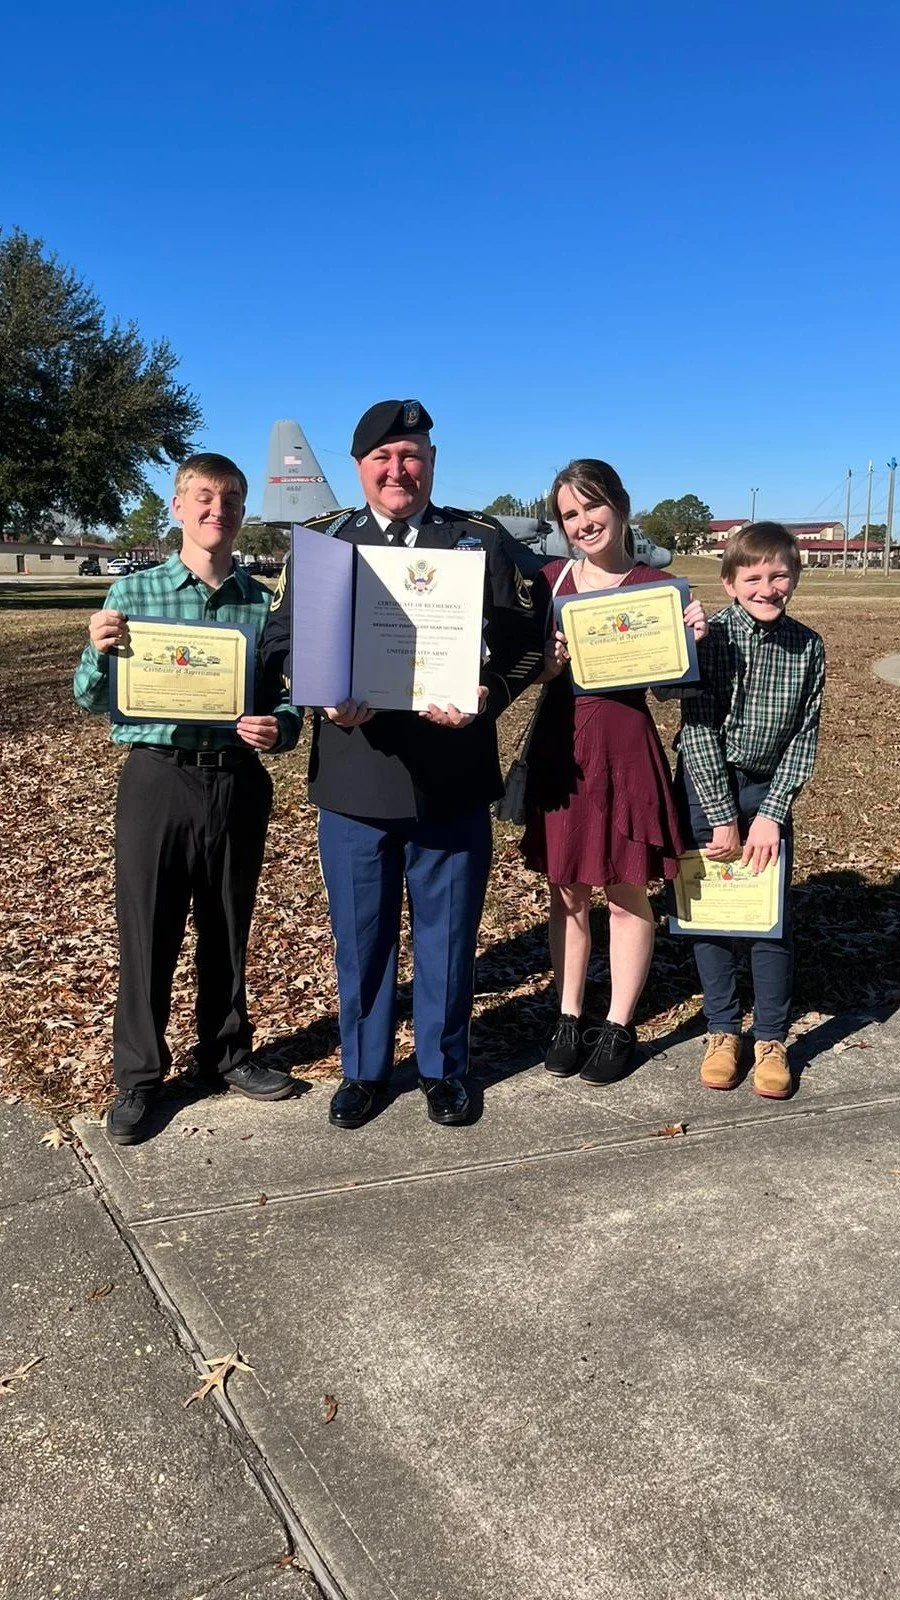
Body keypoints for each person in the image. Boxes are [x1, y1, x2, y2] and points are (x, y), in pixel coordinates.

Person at [260, 399, 542, 1130]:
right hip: (356, 774)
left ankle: (445, 1068)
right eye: (382, 458)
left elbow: (529, 636)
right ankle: (363, 1069)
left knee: (448, 936)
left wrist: (489, 691)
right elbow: (278, 642)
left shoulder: (475, 539)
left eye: (411, 455)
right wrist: (318, 695)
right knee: (362, 934)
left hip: (451, 772)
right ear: (359, 469)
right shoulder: (323, 542)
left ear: (431, 464)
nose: (398, 470)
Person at [74, 453, 302, 1145]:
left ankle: (226, 1054)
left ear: (241, 513)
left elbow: (288, 704)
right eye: (203, 497)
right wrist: (95, 649)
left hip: (235, 778)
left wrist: (278, 729)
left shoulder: (263, 605)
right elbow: (90, 697)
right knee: (148, 928)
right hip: (156, 777)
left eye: (230, 499)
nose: (216, 510)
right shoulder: (134, 595)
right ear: (177, 507)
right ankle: (139, 1079)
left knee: (229, 925)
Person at [519, 458, 708, 1083]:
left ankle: (620, 1024)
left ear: (620, 506)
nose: (582, 522)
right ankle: (569, 1014)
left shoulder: (660, 587)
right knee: (567, 889)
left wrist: (690, 641)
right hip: (562, 747)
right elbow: (520, 669)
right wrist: (544, 664)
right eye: (569, 515)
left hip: (626, 745)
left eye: (591, 507)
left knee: (627, 890)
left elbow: (671, 694)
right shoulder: (549, 580)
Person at [675, 522, 825, 1099]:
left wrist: (771, 813)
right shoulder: (711, 641)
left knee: (768, 916)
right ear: (730, 583)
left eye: (779, 574)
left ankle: (769, 1037)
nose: (768, 587)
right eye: (753, 577)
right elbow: (698, 729)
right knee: (711, 912)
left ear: (795, 578)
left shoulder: (809, 647)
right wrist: (719, 813)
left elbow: (804, 738)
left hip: (768, 792)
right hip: (707, 783)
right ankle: (721, 1028)